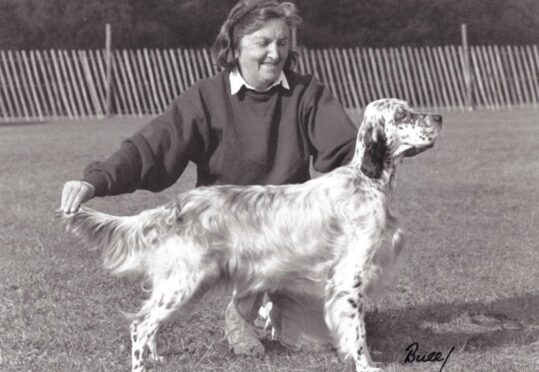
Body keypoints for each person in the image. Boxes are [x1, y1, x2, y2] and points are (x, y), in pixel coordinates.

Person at [61, 0, 358, 357]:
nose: (274, 53)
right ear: (234, 47)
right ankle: (243, 306)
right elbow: (151, 148)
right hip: (224, 238)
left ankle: (267, 307)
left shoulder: (306, 93)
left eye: (282, 42)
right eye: (262, 42)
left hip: (289, 238)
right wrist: (95, 181)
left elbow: (349, 152)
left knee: (320, 340)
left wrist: (394, 144)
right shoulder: (206, 97)